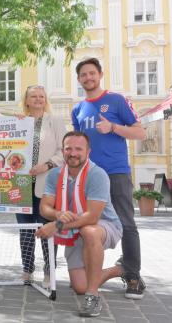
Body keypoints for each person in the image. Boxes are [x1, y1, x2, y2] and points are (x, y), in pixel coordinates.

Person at [72, 57, 147, 299]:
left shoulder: (117, 100)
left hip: (115, 172)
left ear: (100, 74)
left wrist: (113, 127)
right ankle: (90, 273)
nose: (88, 78)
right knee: (89, 223)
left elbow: (140, 132)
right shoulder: (78, 109)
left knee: (125, 223)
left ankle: (133, 275)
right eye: (83, 75)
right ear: (79, 79)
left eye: (92, 73)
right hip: (89, 176)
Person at [36, 132, 123, 317]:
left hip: (104, 225)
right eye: (68, 148)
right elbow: (44, 207)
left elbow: (92, 217)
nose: (73, 153)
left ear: (88, 151)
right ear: (63, 150)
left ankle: (93, 296)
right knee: (80, 286)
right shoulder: (54, 175)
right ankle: (120, 269)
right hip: (72, 230)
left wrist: (57, 225)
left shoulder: (97, 174)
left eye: (78, 149)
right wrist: (57, 213)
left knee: (88, 231)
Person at [17, 85, 66, 283]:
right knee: (25, 230)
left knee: (47, 227)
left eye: (41, 96)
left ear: (46, 100)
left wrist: (46, 165)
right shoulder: (19, 122)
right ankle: (27, 269)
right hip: (21, 186)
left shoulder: (55, 121)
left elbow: (64, 150)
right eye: (33, 96)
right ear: (26, 101)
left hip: (46, 185)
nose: (38, 100)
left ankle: (49, 270)